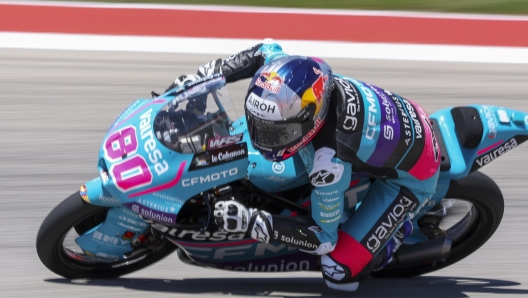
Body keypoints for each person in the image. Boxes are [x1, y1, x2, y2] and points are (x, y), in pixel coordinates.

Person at [167, 39, 441, 291]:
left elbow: (323, 238)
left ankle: (398, 233)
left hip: (413, 176)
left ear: (309, 123)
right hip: (402, 120)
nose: (262, 138)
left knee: (337, 271)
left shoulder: (328, 164)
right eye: (258, 125)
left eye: (275, 133)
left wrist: (253, 221)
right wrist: (202, 79)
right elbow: (264, 49)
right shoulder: (292, 74)